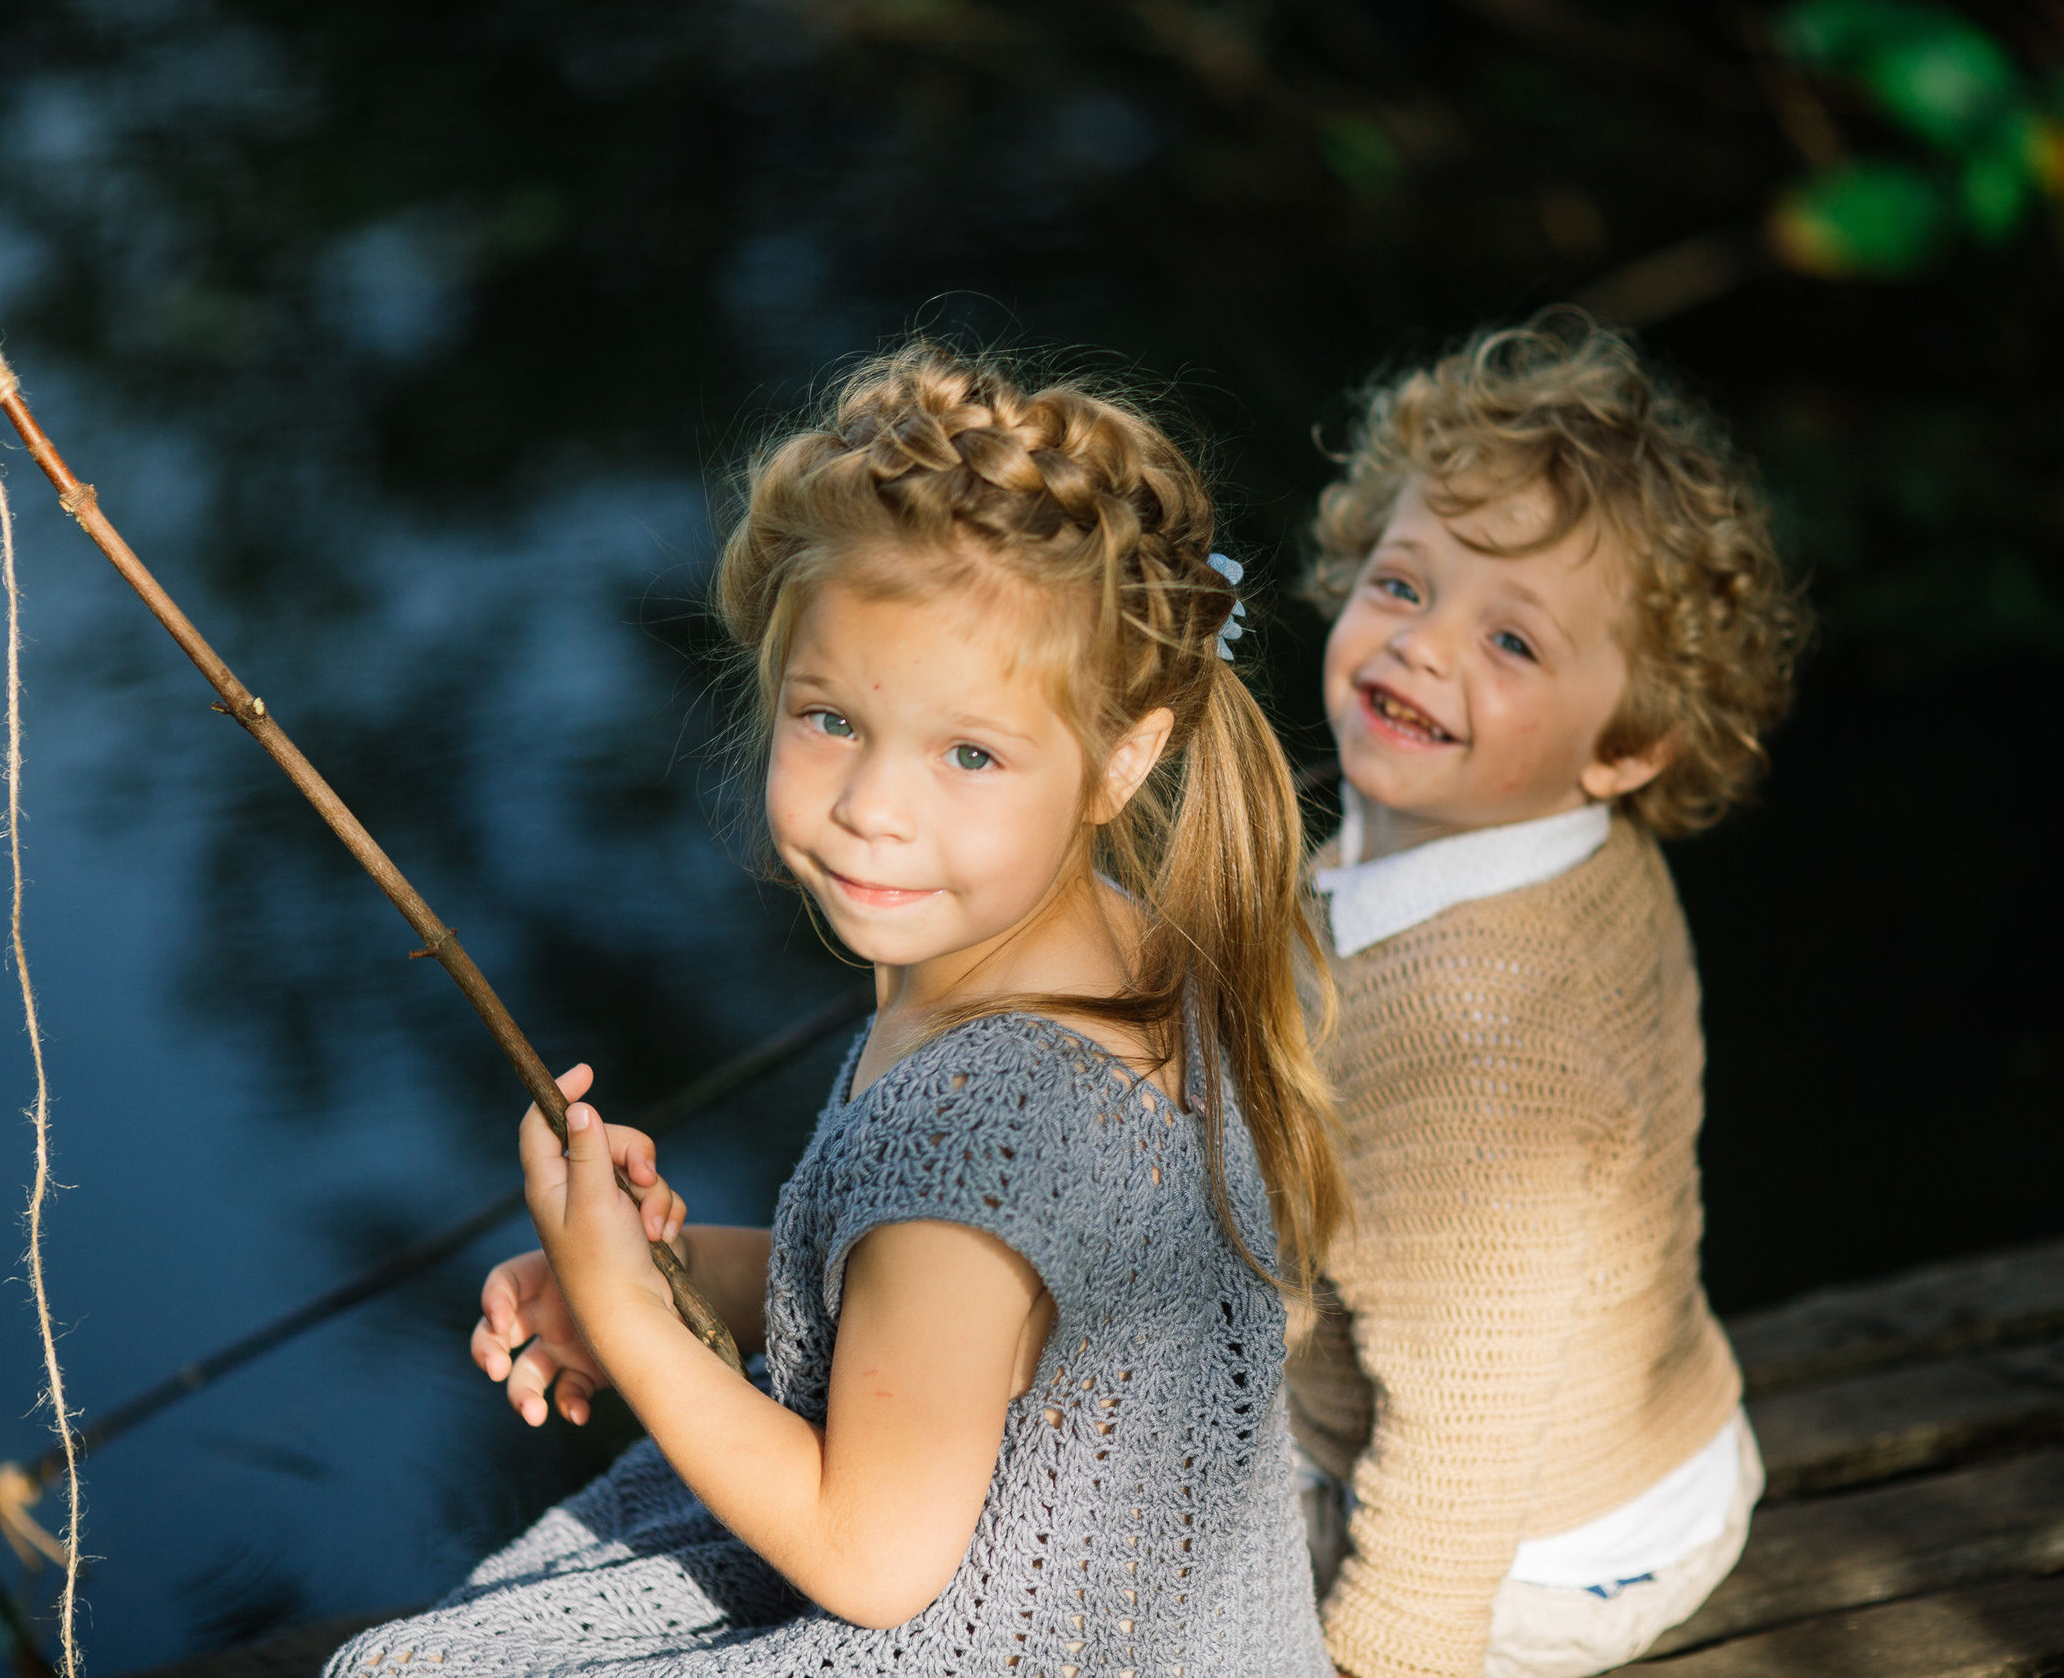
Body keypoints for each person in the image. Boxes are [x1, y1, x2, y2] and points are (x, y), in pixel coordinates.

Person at [325, 341, 1347, 1677]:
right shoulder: (1120, 952)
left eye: (968, 752)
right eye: (831, 721)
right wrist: (671, 1273)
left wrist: (629, 1319)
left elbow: (872, 1558)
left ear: (1122, 756)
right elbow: (943, 1324)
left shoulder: (989, 1116)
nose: (874, 806)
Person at [1286, 310, 1807, 1678]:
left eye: (1512, 643)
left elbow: (1461, 1431)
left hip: (1525, 1555)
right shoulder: (1521, 834)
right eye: (1403, 585)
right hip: (1643, 1451)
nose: (1424, 647)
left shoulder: (1479, 1042)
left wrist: (1377, 1656)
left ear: (1629, 746)